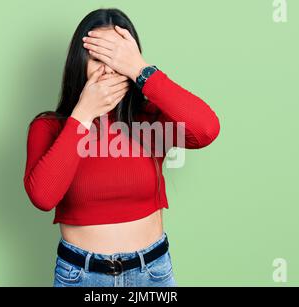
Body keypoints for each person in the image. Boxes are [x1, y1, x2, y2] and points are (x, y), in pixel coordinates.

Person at [23, 8, 221, 287]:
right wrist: (82, 115)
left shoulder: (151, 118)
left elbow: (207, 129)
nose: (108, 69)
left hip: (152, 273)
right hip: (80, 276)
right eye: (97, 58)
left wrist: (142, 71)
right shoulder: (50, 128)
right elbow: (43, 197)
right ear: (79, 64)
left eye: (117, 59)